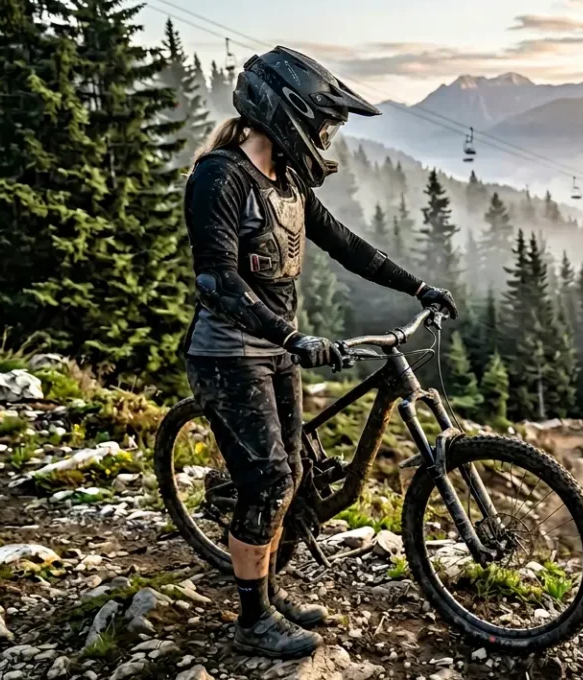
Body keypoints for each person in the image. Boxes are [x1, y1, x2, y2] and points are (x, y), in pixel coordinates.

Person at [181, 46, 457, 659]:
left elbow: (345, 244)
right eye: (324, 125)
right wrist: (290, 337)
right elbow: (217, 282)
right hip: (228, 354)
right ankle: (252, 621)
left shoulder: (289, 181)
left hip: (276, 348)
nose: (327, 138)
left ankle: (267, 590)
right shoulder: (220, 178)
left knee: (293, 475)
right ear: (288, 115)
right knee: (269, 481)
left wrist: (418, 287)